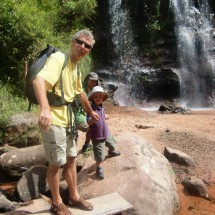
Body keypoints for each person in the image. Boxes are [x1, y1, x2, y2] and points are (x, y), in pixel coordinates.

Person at [33, 29, 99, 215]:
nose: (83, 47)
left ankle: (74, 196)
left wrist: (90, 111)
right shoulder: (58, 59)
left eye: (87, 46)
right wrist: (45, 108)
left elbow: (79, 93)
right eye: (80, 42)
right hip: (53, 119)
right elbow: (39, 81)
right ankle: (56, 202)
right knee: (56, 162)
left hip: (68, 120)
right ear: (72, 42)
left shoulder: (76, 67)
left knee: (71, 159)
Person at [87, 86, 121, 180]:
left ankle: (111, 151)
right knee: (99, 156)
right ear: (92, 98)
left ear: (102, 98)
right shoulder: (90, 109)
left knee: (112, 144)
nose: (98, 98)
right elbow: (88, 122)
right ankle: (98, 167)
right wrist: (93, 120)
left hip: (105, 132)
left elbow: (102, 115)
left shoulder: (101, 106)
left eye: (100, 96)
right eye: (96, 96)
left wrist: (104, 116)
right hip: (97, 136)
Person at [75, 72, 99, 153]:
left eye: (95, 81)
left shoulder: (91, 90)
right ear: (87, 80)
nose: (93, 83)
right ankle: (85, 145)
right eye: (91, 81)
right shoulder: (82, 89)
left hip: (81, 113)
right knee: (91, 126)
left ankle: (86, 145)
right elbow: (85, 106)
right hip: (76, 113)